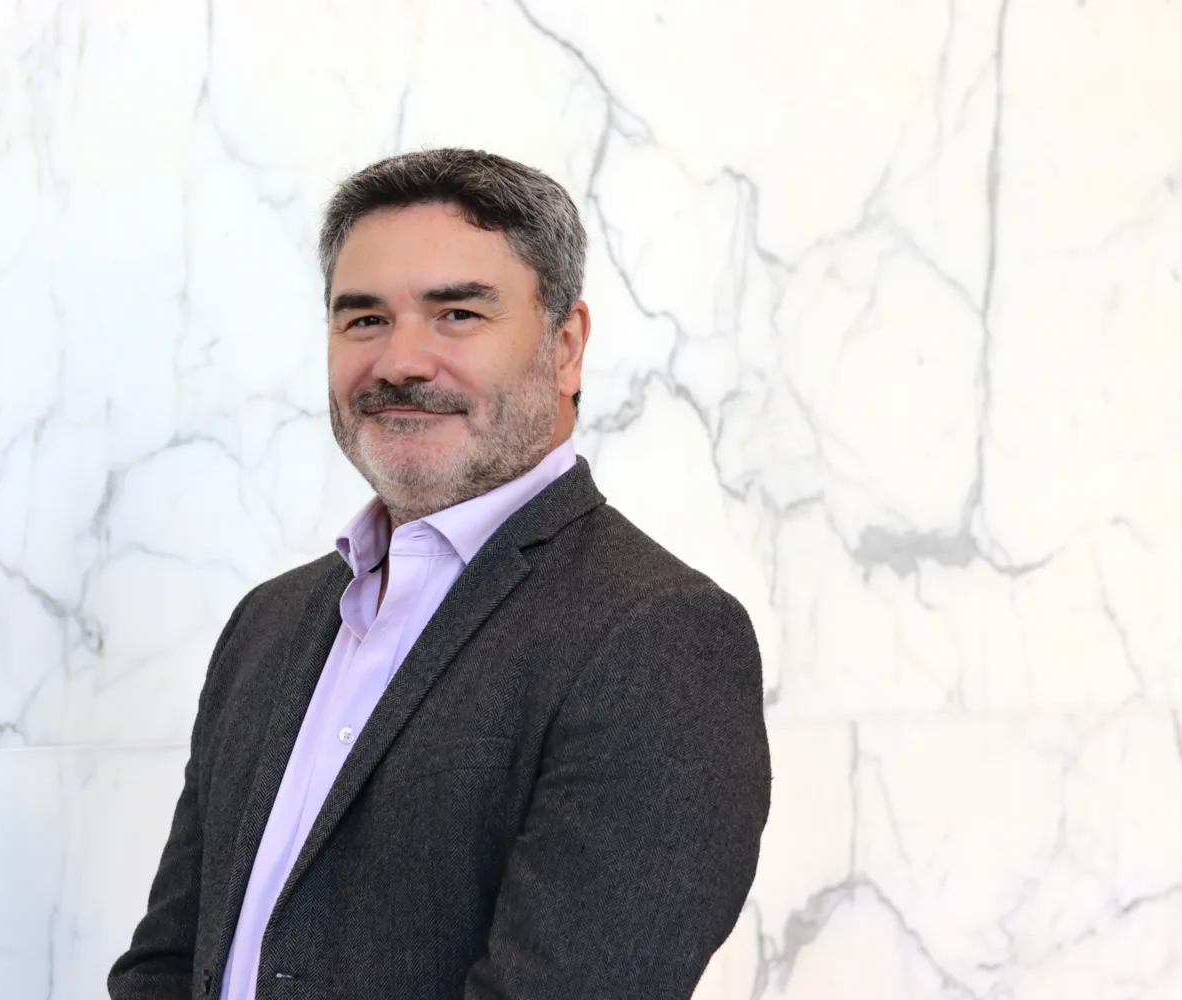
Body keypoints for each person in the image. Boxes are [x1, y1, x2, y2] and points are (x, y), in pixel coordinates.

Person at [108, 148, 771, 1000]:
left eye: (456, 314)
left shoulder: (657, 637)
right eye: (363, 319)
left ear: (566, 347)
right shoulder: (266, 625)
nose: (400, 363)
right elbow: (169, 962)